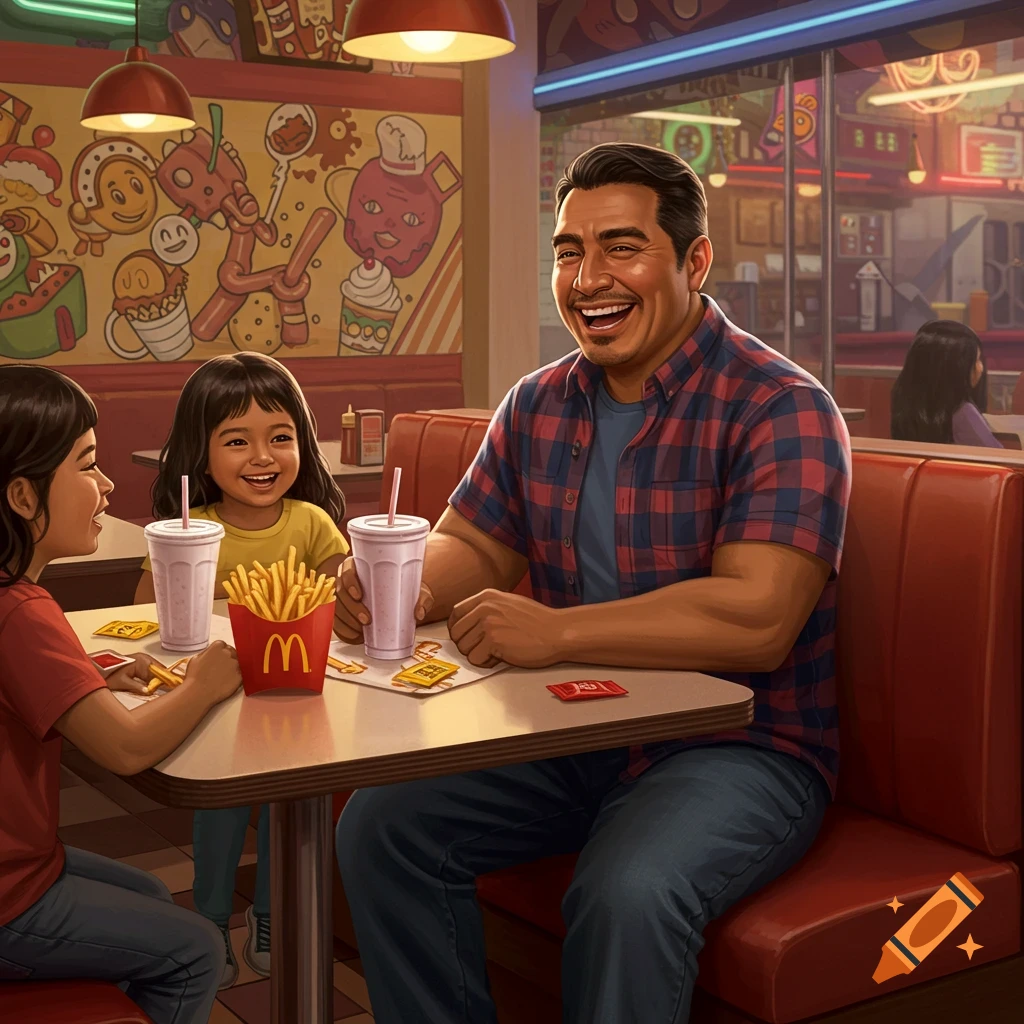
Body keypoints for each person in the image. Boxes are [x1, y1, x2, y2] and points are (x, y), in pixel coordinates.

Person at [333, 143, 852, 1024]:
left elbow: (758, 618)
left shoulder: (781, 405)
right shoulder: (538, 401)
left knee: (628, 891)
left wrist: (559, 632)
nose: (588, 277)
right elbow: (477, 543)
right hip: (582, 721)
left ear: (693, 261)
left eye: (621, 247)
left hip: (743, 747)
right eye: (569, 251)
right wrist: (401, 587)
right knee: (381, 829)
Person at [0, 364, 241, 1024]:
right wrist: (205, 684)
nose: (106, 485)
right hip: (10, 897)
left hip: (25, 864)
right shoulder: (20, 610)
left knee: (147, 893)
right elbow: (127, 747)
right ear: (23, 497)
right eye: (86, 465)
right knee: (194, 947)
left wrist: (94, 678)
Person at [134, 351, 349, 986]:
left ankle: (269, 915)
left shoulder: (312, 523)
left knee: (293, 809)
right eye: (236, 441)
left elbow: (339, 602)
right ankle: (209, 920)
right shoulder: (186, 530)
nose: (262, 457)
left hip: (299, 698)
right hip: (215, 702)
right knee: (221, 813)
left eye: (281, 438)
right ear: (200, 456)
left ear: (303, 445)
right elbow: (151, 607)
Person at [890, 320, 1001, 448]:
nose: (980, 368)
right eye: (975, 361)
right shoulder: (963, 412)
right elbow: (1001, 459)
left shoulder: (906, 405)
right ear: (953, 369)